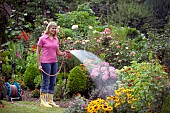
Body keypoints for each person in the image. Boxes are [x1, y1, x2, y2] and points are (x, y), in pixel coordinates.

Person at [36, 21, 67, 108]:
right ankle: (43, 101)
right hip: (45, 62)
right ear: (48, 29)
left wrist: (63, 53)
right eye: (52, 28)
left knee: (53, 81)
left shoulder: (56, 39)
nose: (54, 30)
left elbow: (57, 52)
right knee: (46, 80)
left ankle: (50, 100)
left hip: (54, 62)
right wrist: (39, 64)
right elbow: (37, 52)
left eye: (55, 28)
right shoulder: (42, 39)